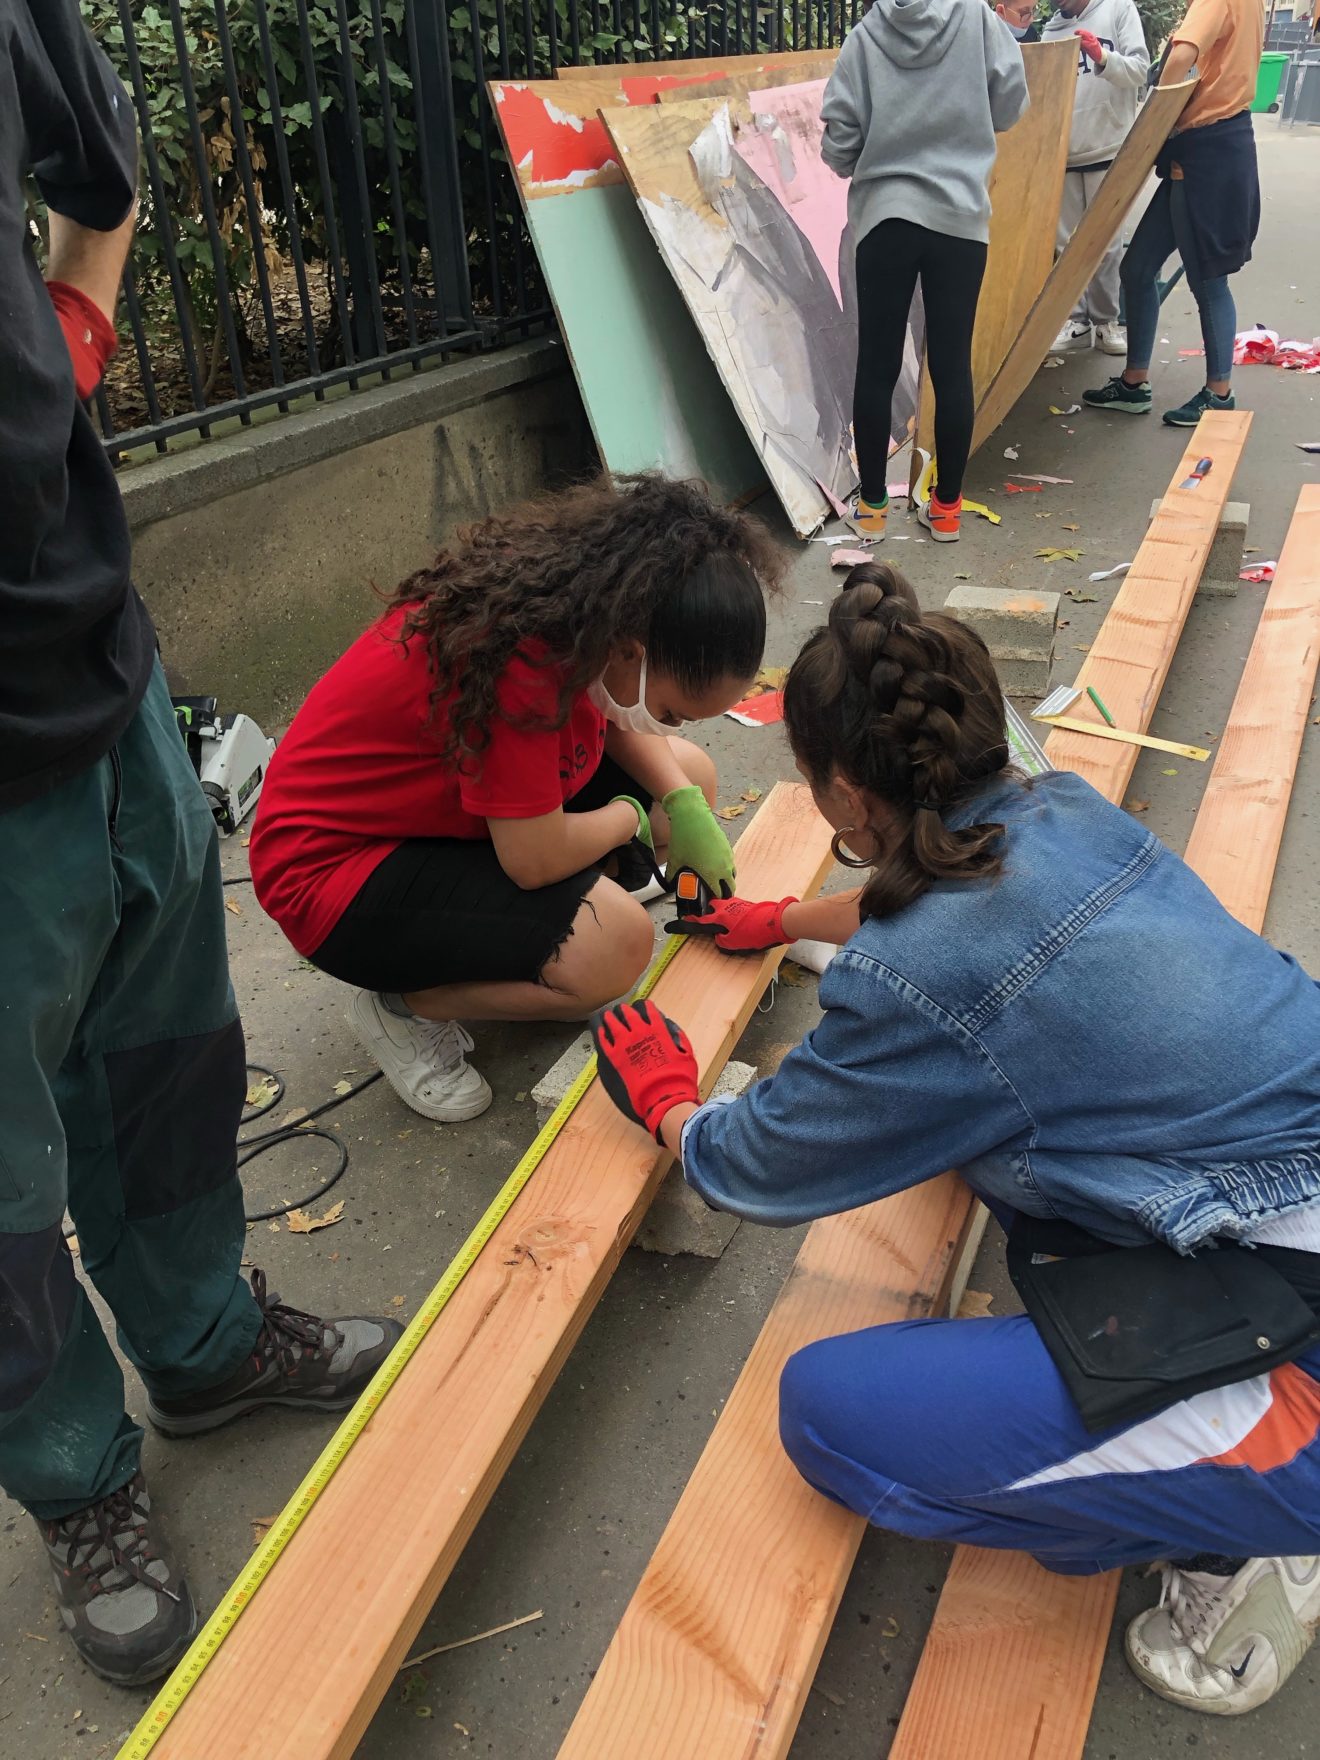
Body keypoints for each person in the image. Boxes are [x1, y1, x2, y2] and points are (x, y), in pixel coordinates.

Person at [590, 561, 1320, 1718]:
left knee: (832, 1412)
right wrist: (781, 918)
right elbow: (944, 898)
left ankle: (1240, 1539)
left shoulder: (924, 975)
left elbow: (751, 1163)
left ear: (838, 794)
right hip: (1275, 1199)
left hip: (1304, 1349)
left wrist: (674, 1100)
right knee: (1012, 1172)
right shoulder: (1068, 806)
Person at [0, 0, 405, 1689]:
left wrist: (72, 340)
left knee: (168, 1057)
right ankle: (78, 1478)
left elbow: (106, 167)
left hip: (97, 657)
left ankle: (204, 1345)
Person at [249, 475, 777, 1121]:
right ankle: (401, 1008)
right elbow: (535, 860)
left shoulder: (581, 616)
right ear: (629, 651)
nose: (670, 725)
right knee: (617, 947)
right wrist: (627, 819)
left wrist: (685, 805)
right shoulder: (515, 668)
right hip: (338, 876)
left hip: (439, 825)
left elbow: (617, 723)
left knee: (686, 776)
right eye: (674, 709)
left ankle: (553, 932)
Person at [821, 0, 1029, 544]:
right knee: (952, 364)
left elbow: (838, 140)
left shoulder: (865, 38)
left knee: (877, 365)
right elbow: (1010, 105)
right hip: (960, 218)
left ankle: (870, 511)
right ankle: (945, 512)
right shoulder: (980, 19)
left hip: (885, 218)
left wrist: (871, 158)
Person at [1083, 0, 1261, 425]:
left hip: (1207, 150)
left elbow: (1182, 55)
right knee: (1139, 267)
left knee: (1208, 278)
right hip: (1207, 148)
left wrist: (1157, 113)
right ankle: (1133, 385)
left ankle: (1219, 393)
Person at [1044, 0, 1150, 356]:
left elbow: (1140, 70)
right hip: (1065, 153)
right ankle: (1075, 320)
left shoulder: (1119, 9)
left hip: (1109, 147)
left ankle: (1107, 321)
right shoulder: (1051, 30)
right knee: (1065, 247)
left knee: (1106, 245)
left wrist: (1103, 58)